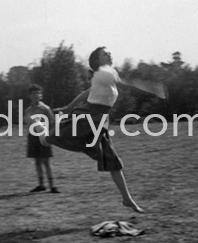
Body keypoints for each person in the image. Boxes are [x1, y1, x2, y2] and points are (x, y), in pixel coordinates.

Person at [41, 47, 166, 214]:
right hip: (88, 118)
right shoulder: (103, 73)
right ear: (97, 61)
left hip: (100, 123)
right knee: (54, 137)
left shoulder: (103, 75)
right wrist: (151, 88)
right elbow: (123, 82)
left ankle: (127, 199)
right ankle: (41, 132)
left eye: (109, 53)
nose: (109, 55)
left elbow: (87, 92)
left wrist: (69, 106)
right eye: (105, 54)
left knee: (113, 163)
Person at [24, 84, 59, 193]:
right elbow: (27, 122)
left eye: (37, 93)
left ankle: (52, 186)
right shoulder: (28, 110)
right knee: (37, 161)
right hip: (33, 137)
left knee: (46, 161)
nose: (35, 95)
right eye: (33, 93)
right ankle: (41, 185)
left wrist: (49, 134)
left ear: (41, 95)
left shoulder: (45, 108)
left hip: (43, 136)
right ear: (29, 96)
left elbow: (52, 122)